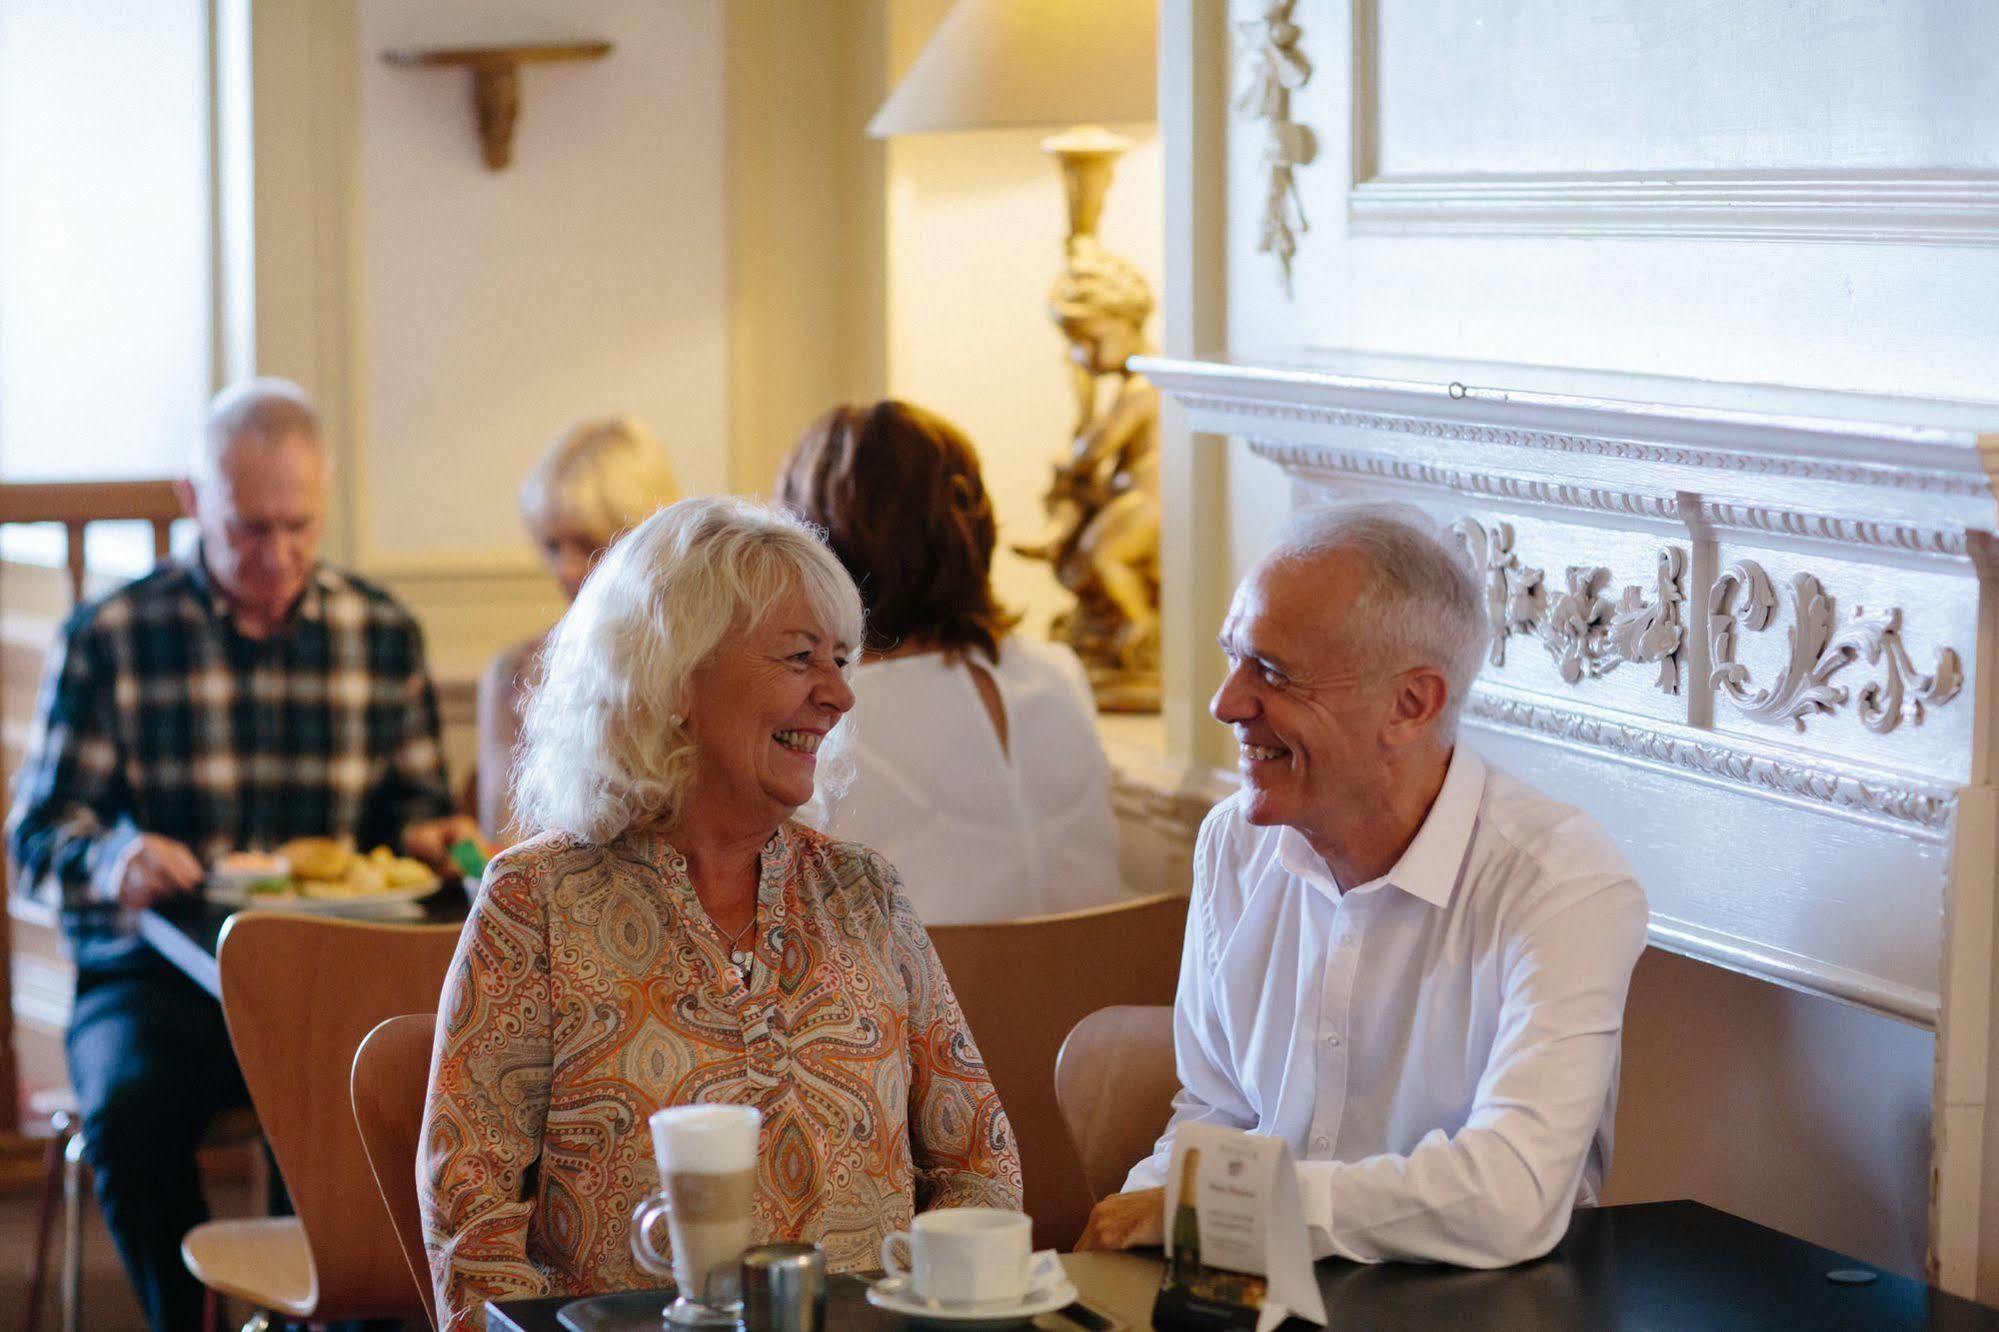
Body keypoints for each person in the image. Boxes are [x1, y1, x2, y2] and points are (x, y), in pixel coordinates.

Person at [421, 496, 1023, 1331]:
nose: (840, 696)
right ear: (673, 677)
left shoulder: (863, 892)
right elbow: (471, 1213)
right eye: (801, 657)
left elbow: (977, 1158)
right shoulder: (538, 902)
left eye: (843, 660)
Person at [6, 377, 476, 1332]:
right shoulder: (113, 635)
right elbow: (37, 838)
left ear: (326, 497)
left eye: (299, 526)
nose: (279, 555)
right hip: (156, 979)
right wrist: (117, 859)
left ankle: (351, 1315)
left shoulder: (379, 634)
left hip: (329, 975)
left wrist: (431, 839)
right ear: (194, 502)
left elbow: (414, 814)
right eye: (250, 529)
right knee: (131, 1113)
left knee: (396, 1116)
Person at [1078, 505, 1649, 1267]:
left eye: (1272, 672)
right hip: (1257, 1294)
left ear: (1411, 705)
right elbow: (1217, 1111)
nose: (1226, 703)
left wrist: (1213, 1210)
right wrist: (1129, 1240)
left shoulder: (1560, 881)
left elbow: (1510, 1192)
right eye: (1233, 658)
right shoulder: (1234, 842)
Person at [777, 400, 1126, 924]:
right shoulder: (1059, 671)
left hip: (934, 1001)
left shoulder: (834, 714)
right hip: (1108, 993)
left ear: (819, 549)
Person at [477, 415, 678, 839]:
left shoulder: (692, 664)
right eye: (552, 546)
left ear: (641, 540)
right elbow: (507, 840)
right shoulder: (515, 673)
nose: (564, 569)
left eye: (587, 545)